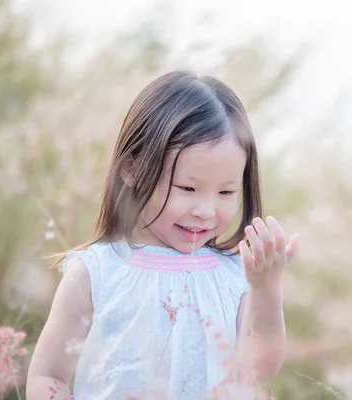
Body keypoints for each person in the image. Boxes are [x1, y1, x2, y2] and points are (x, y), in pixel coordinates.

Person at [26, 70, 299, 399]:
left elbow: (259, 369)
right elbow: (48, 376)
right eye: (187, 188)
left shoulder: (233, 275)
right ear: (132, 168)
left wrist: (267, 287)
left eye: (226, 192)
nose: (206, 210)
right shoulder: (98, 272)